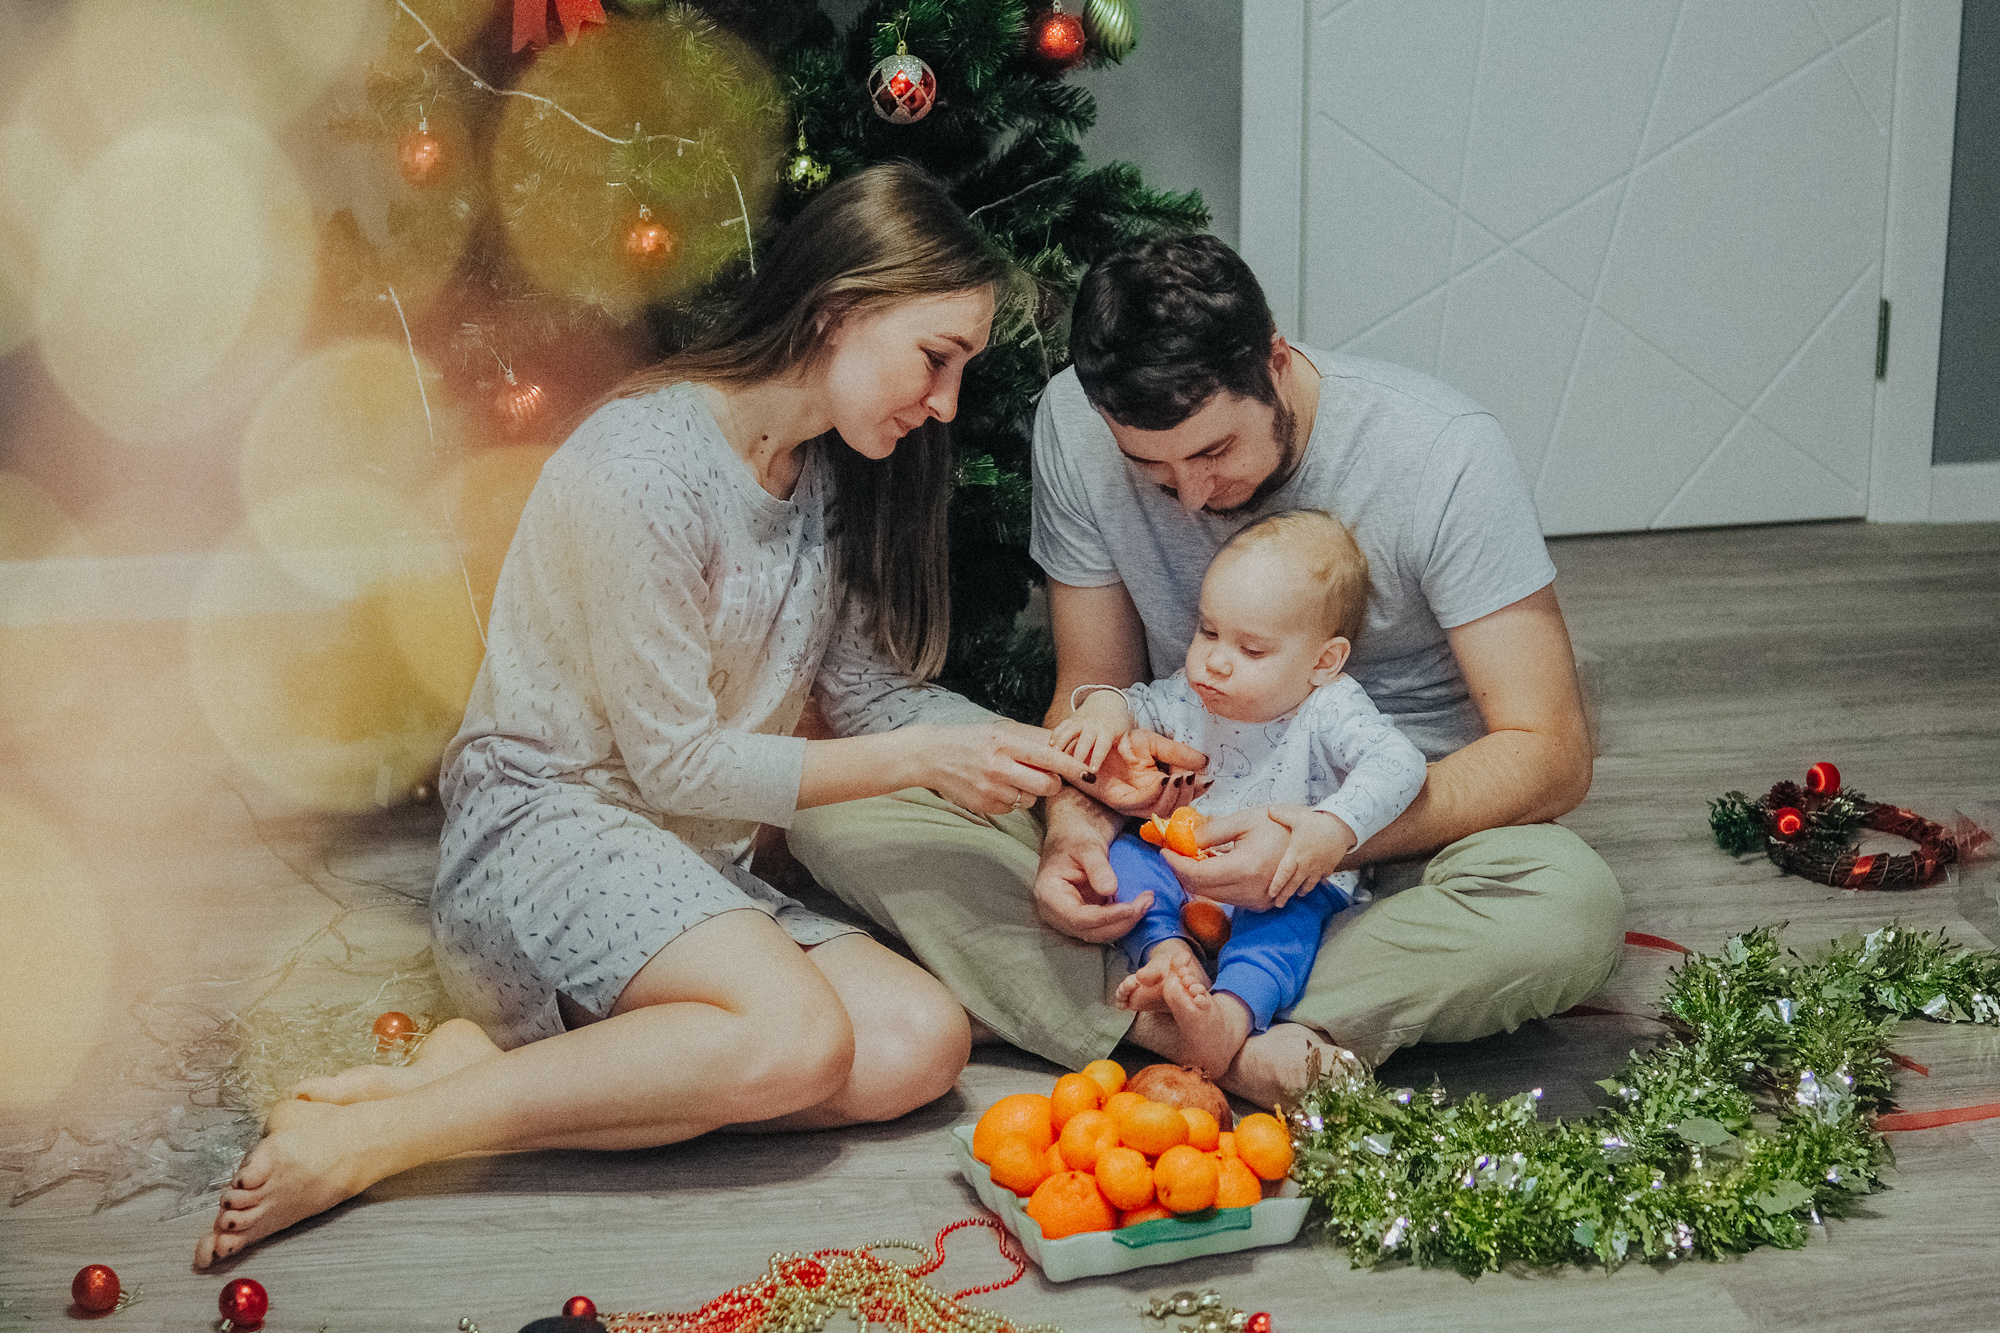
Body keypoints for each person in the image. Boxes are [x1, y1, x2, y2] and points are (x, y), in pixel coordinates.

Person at [193, 163, 1096, 1268]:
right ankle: (390, 1134)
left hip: (684, 868)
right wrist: (919, 762)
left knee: (920, 1042)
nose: (945, 404)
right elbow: (671, 763)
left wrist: (1054, 757)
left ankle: (495, 1069)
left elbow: (871, 697)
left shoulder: (827, 474)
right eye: (935, 359)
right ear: (840, 312)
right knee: (797, 1036)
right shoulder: (643, 466)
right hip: (543, 838)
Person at [787, 233, 1625, 1104]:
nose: (1189, 496)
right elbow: (1092, 687)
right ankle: (1236, 1040)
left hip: (1388, 842)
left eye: (1214, 451)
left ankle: (1141, 1014)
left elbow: (1550, 750)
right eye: (1149, 468)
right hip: (1175, 831)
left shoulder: (1441, 453)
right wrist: (1077, 825)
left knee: (1570, 907)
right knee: (840, 815)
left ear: (1274, 359)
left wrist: (1314, 837)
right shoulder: (1074, 422)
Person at [1053, 508, 1428, 1080]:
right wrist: (1106, 707)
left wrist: (1332, 827)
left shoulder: (1330, 705)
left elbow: (1400, 763)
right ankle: (1170, 956)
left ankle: (1226, 1018)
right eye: (1207, 631)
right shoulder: (1192, 690)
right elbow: (1140, 701)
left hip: (1280, 885)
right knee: (1123, 856)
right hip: (1184, 866)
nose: (1215, 660)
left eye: (1251, 650)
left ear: (1323, 661)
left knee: (1289, 923)